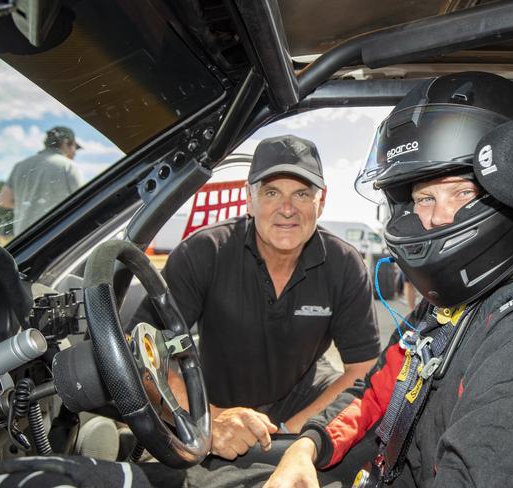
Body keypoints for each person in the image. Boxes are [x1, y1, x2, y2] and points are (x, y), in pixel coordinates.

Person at [260, 72, 513, 487]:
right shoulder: (445, 307)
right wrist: (306, 446)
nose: (435, 219)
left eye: (462, 194)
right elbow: (376, 392)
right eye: (424, 198)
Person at [132, 134, 380, 461]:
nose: (287, 209)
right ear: (249, 200)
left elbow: (363, 368)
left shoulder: (345, 264)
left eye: (302, 194)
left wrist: (297, 435)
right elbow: (137, 346)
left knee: (377, 437)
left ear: (321, 202)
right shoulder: (205, 251)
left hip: (304, 398)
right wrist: (208, 417)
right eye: (272, 192)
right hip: (214, 397)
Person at [0, 126, 83, 236]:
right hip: (57, 238)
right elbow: (81, 203)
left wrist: (29, 207)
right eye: (75, 147)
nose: (75, 152)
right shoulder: (69, 167)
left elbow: (3, 200)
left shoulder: (20, 166)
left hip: (24, 242)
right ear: (66, 143)